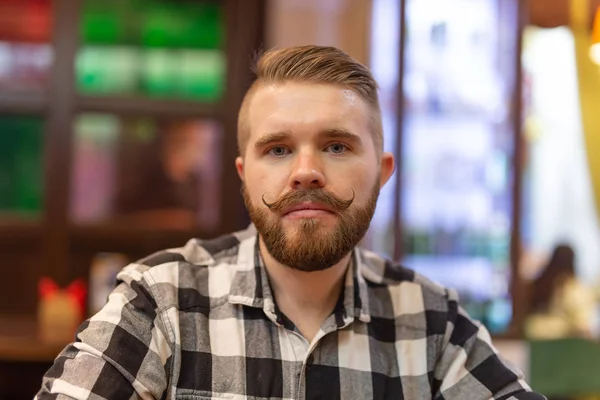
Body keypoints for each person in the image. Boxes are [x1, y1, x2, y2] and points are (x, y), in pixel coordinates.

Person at [36, 46, 545, 399]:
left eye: (337, 146)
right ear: (244, 174)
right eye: (278, 149)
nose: (305, 172)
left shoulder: (435, 323)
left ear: (382, 172)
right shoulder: (161, 302)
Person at [525, 244, 597, 339]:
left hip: (533, 342)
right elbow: (581, 325)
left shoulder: (538, 285)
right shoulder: (573, 289)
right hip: (564, 346)